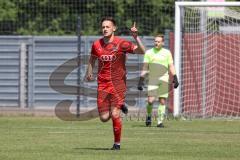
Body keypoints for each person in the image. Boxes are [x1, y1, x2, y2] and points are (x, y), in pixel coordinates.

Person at [85, 17, 145, 150]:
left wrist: (136, 37)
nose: (105, 29)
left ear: (114, 28)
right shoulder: (96, 45)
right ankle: (120, 105)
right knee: (104, 117)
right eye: (103, 27)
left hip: (118, 84)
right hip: (102, 84)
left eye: (107, 26)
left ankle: (116, 144)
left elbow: (142, 51)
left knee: (115, 114)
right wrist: (88, 73)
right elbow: (92, 60)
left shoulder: (121, 44)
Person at [137, 34, 179, 128]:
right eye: (155, 41)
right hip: (153, 79)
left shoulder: (167, 53)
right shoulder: (149, 53)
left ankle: (160, 122)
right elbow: (145, 67)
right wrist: (141, 80)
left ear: (162, 43)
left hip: (164, 79)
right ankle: (148, 116)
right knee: (150, 101)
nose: (156, 43)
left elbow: (171, 66)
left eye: (158, 41)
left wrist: (175, 77)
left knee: (162, 101)